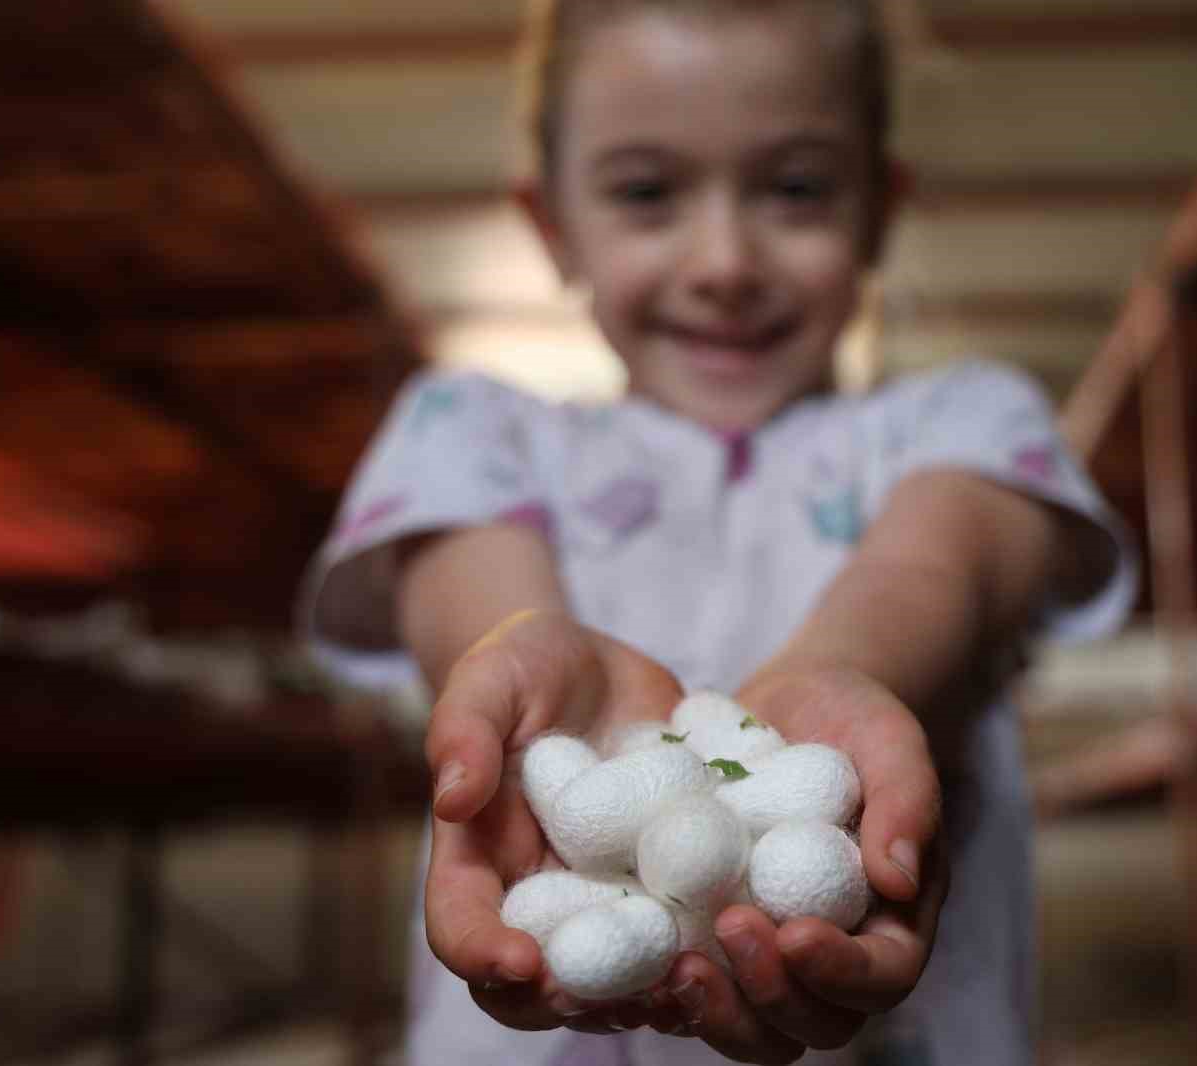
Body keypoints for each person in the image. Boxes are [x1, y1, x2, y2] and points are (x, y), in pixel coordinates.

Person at [301, 1, 1137, 1063]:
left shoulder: (968, 420)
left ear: (879, 208)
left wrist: (840, 670)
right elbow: (469, 598)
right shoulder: (469, 428)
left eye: (794, 189)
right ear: (553, 225)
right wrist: (522, 645)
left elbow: (943, 560)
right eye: (647, 193)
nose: (726, 260)